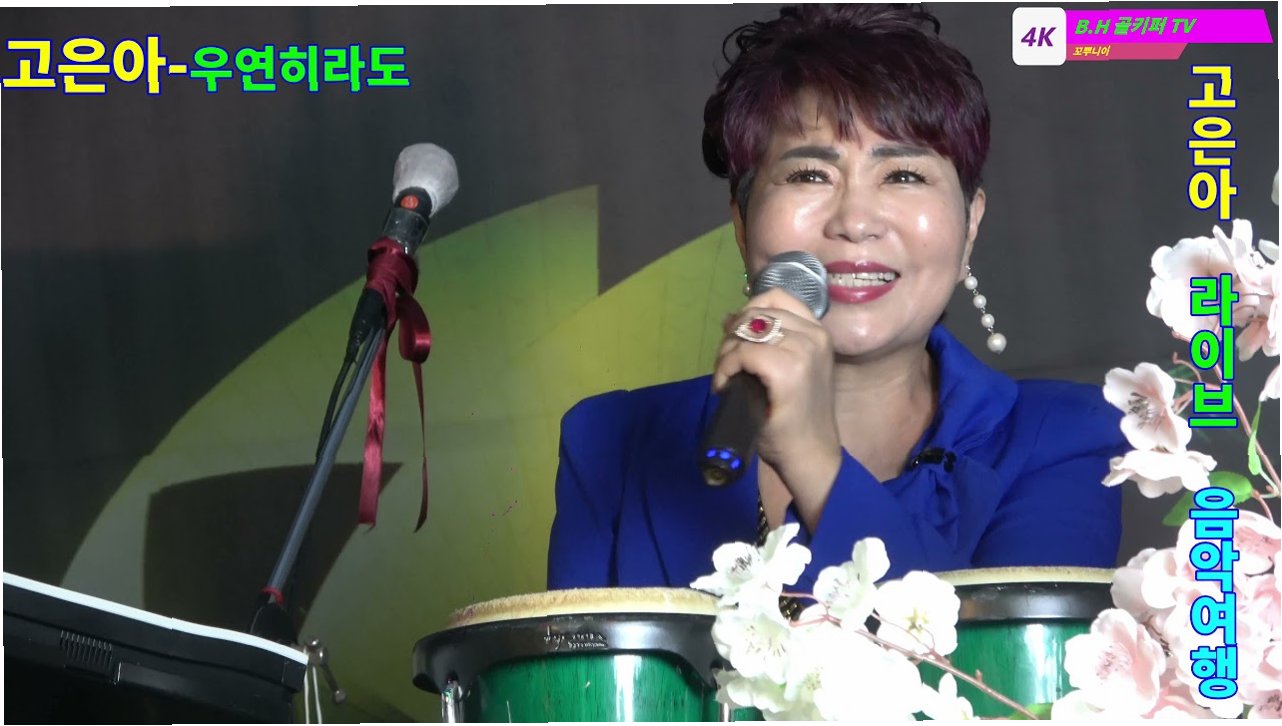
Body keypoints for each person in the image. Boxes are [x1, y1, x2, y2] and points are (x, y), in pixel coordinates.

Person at [547, 4, 1126, 594]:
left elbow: (993, 656)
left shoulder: (1063, 439)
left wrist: (813, 459)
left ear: (970, 225)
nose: (855, 221)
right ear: (742, 223)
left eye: (903, 175)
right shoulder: (611, 442)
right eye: (809, 175)